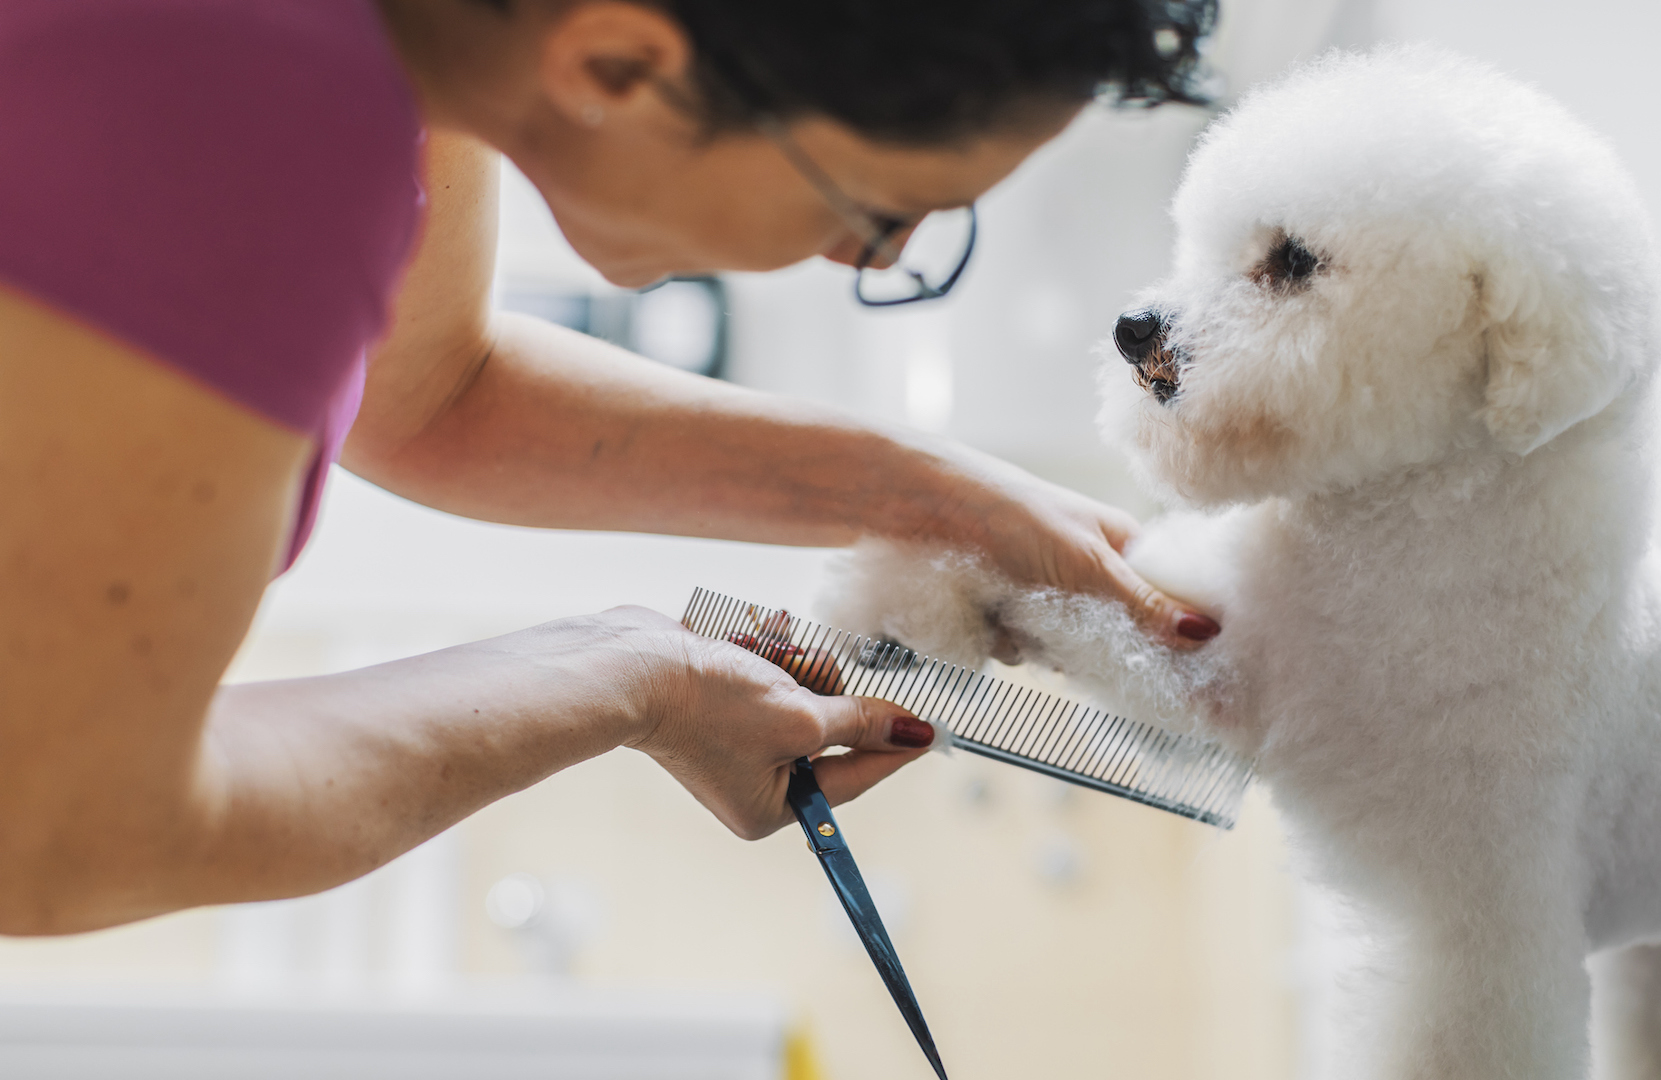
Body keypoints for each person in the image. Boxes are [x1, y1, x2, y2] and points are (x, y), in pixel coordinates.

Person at [0, 0, 1220, 936]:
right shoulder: (262, 104)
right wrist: (629, 683)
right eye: (881, 212)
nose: (859, 259)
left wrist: (936, 496)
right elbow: (60, 822)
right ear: (623, 67)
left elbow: (432, 394)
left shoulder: (422, 48)